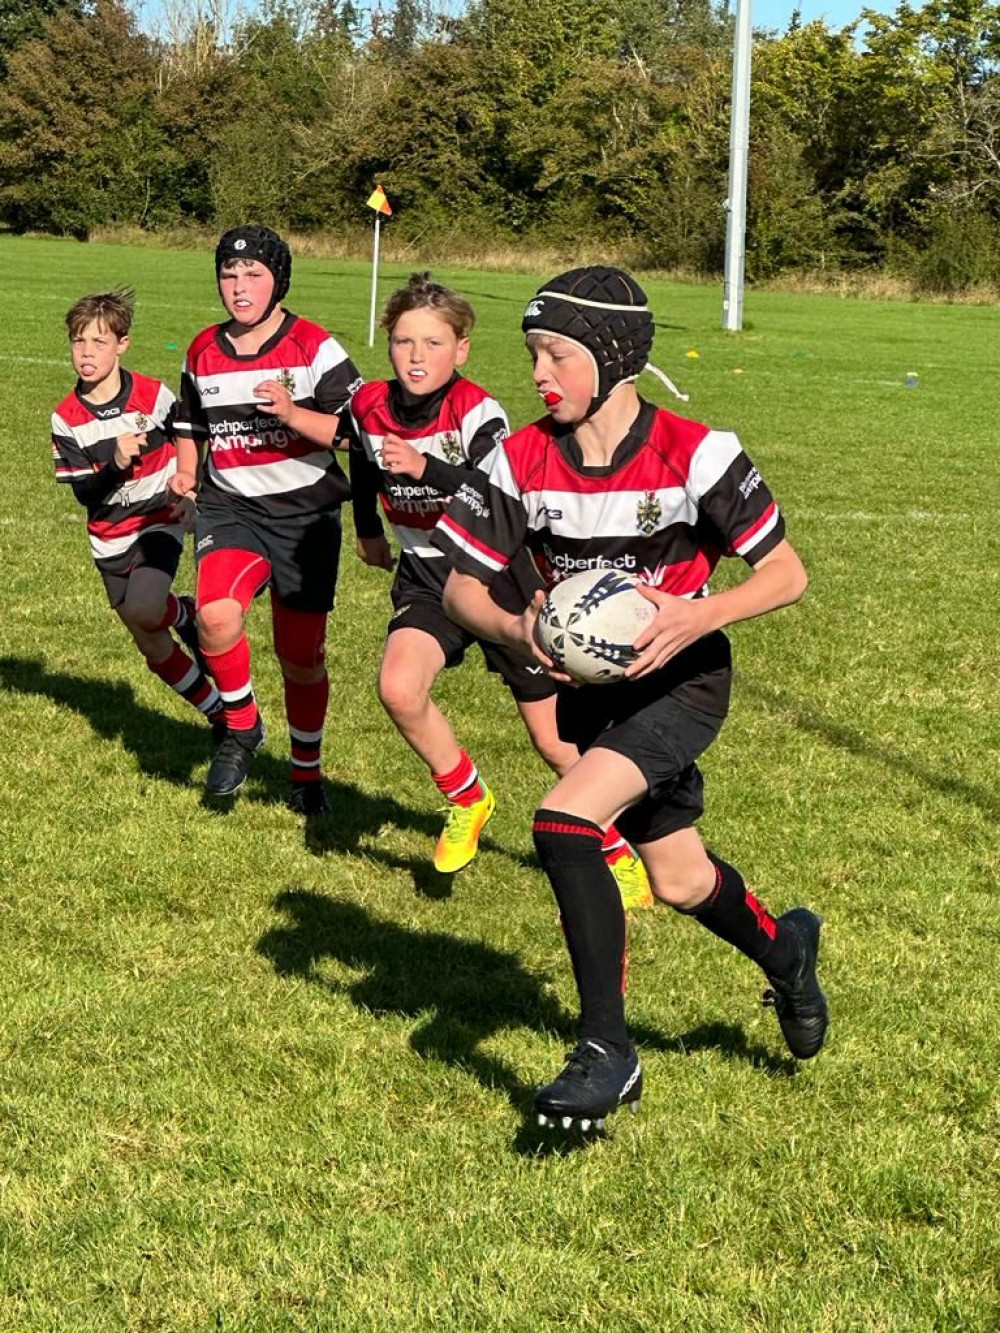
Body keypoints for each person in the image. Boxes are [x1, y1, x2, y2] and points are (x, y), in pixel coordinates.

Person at [435, 266, 828, 1129]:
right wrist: (522, 632)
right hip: (593, 700)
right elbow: (462, 588)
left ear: (613, 358)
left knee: (565, 823)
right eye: (533, 353)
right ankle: (787, 949)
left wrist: (699, 614)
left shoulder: (698, 452)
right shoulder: (517, 457)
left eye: (557, 355)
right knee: (682, 879)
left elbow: (787, 574)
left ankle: (607, 1051)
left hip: (684, 683)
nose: (539, 373)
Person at [350, 272, 651, 906]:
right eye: (404, 341)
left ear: (461, 350)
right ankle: (466, 794)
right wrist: (367, 527)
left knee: (553, 740)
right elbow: (360, 459)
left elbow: (494, 496)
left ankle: (616, 844)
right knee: (399, 689)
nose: (415, 356)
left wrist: (425, 466)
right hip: (427, 575)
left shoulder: (480, 413)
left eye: (432, 343)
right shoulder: (368, 404)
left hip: (499, 577)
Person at [169, 226, 363, 811]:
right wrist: (185, 472)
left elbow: (358, 432)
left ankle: (306, 775)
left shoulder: (314, 347)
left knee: (301, 659)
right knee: (215, 616)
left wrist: (292, 413)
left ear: (279, 280)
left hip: (306, 519)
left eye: (253, 275)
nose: (239, 286)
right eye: (229, 274)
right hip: (232, 509)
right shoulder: (203, 349)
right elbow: (190, 424)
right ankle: (243, 727)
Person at [51, 288, 222, 731]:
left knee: (147, 609)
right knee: (149, 641)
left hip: (156, 521)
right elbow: (86, 494)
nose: (86, 353)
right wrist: (115, 464)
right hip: (109, 538)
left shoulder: (151, 394)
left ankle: (181, 615)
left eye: (99, 342)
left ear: (122, 345)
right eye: (78, 342)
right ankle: (218, 712)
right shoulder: (66, 417)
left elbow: (190, 429)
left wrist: (190, 489)